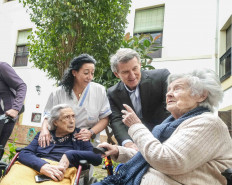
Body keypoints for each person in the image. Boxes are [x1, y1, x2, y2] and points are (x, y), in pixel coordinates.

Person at [94, 69, 232, 185]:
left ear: (201, 95)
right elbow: (151, 156)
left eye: (177, 88)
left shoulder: (208, 124)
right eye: (169, 89)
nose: (168, 94)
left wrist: (136, 126)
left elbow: (167, 160)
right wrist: (119, 152)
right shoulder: (171, 124)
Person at [0, 104, 102, 185]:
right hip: (35, 166)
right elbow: (25, 153)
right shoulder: (43, 135)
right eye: (67, 117)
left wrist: (70, 155)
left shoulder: (79, 135)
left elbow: (97, 158)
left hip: (61, 171)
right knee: (8, 182)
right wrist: (42, 166)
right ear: (55, 122)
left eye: (73, 116)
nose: (72, 121)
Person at [39, 54, 111, 147]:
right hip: (60, 141)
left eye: (92, 73)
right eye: (86, 73)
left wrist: (90, 132)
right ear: (74, 72)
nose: (90, 77)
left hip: (87, 142)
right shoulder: (58, 92)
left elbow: (105, 118)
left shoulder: (99, 90)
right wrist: (44, 130)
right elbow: (48, 115)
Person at [107, 48, 170, 150]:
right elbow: (116, 120)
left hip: (164, 139)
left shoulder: (161, 77)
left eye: (135, 68)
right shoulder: (112, 93)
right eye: (125, 72)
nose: (132, 75)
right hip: (134, 143)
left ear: (140, 65)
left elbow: (171, 109)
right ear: (116, 74)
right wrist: (128, 143)